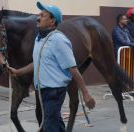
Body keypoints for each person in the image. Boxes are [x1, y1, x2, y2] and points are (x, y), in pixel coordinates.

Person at [7, 2, 95, 132]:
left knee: (49, 126)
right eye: (39, 14)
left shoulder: (59, 40)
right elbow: (37, 62)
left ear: (52, 21)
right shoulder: (39, 39)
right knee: (54, 123)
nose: (38, 17)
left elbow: (72, 68)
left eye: (42, 15)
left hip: (54, 91)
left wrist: (86, 93)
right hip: (41, 90)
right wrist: (18, 72)